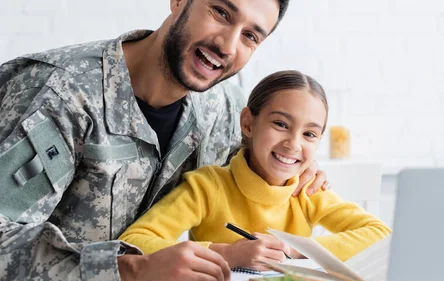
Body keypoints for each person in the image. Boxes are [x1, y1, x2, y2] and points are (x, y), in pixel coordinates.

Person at [0, 0, 329, 281]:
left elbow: (253, 167)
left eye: (250, 36)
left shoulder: (223, 109)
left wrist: (297, 163)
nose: (227, 45)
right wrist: (131, 270)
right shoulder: (60, 91)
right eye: (221, 13)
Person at [120, 70, 391, 270]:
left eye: (309, 134)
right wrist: (227, 254)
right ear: (248, 123)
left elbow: (380, 234)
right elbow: (134, 241)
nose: (293, 144)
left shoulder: (307, 190)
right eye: (281, 124)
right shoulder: (207, 186)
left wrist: (293, 248)